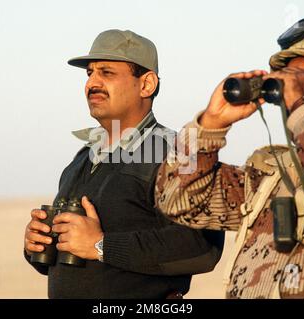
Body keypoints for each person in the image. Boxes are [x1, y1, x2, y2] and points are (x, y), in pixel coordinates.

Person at [155, 16, 304, 298]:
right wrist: (210, 124)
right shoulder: (267, 178)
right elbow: (177, 201)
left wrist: (301, 107)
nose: (293, 99)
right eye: (288, 87)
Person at [23, 29, 223, 298]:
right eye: (89, 73)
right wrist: (39, 244)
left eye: (106, 73)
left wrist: (101, 245)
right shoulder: (83, 158)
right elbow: (79, 263)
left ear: (146, 85)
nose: (91, 83)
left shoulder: (179, 153)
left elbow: (201, 248)